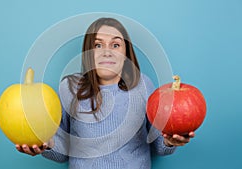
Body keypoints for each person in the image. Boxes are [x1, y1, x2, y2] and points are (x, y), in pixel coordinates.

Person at [16, 17, 195, 169]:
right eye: (98, 45)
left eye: (115, 44)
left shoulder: (143, 85)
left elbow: (158, 146)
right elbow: (62, 151)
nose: (107, 52)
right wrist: (45, 144)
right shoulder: (69, 87)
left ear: (126, 53)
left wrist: (170, 141)